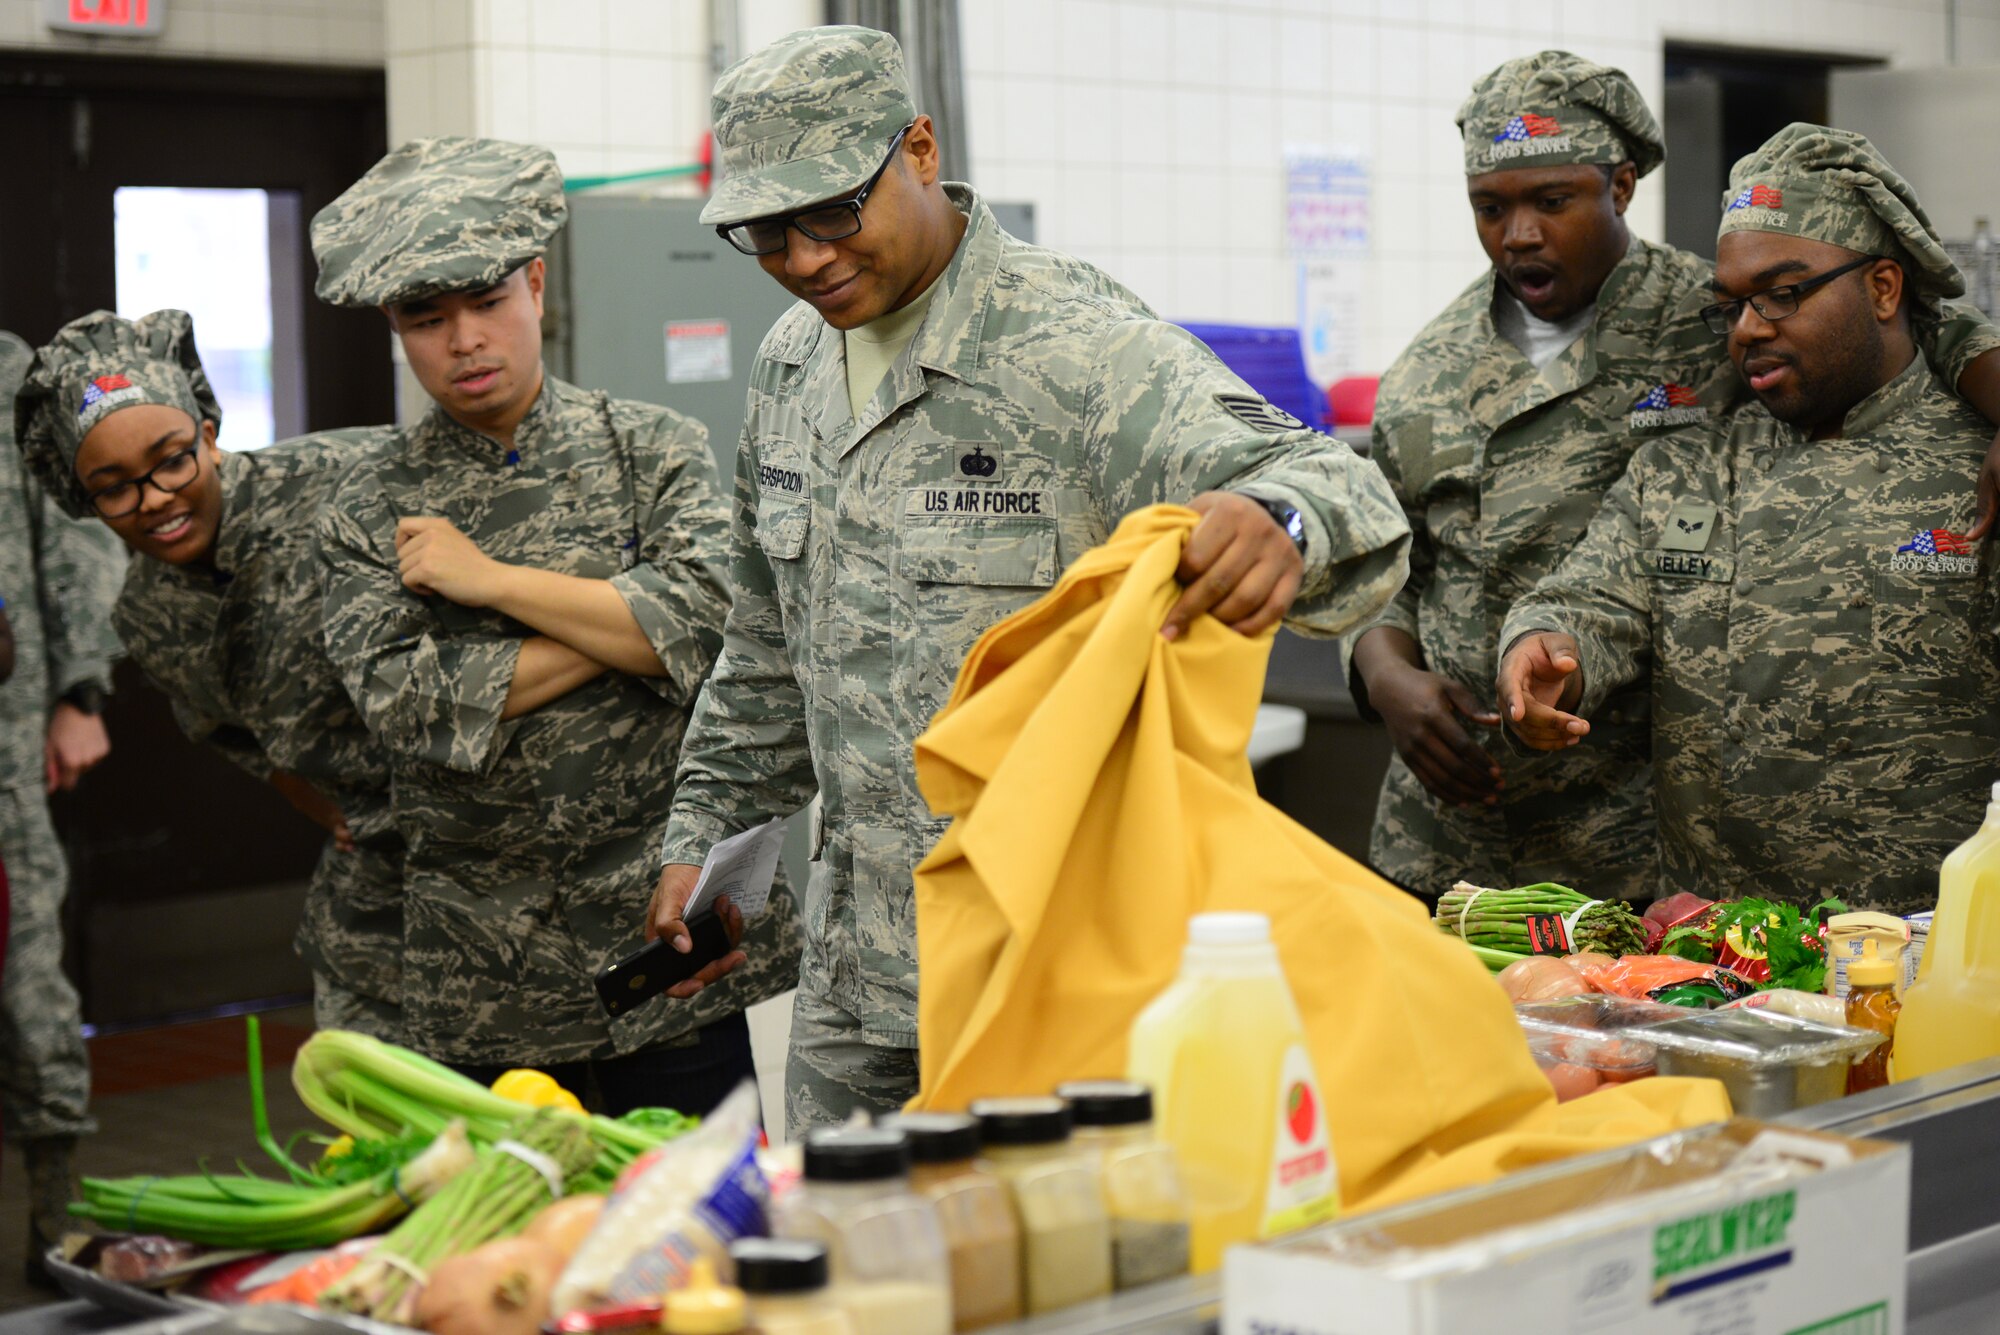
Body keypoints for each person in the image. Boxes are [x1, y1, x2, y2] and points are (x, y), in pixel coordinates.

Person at [647, 26, 1411, 1130]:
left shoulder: (1077, 350)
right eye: (764, 233)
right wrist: (704, 844)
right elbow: (765, 647)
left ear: (918, 150)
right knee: (837, 1240)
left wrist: (1279, 519)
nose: (804, 259)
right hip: (857, 980)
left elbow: (1335, 483)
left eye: (832, 212)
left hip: (1051, 971)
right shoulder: (789, 365)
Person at [1345, 52, 2000, 906]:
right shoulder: (1438, 373)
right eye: (1490, 207)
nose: (1748, 329)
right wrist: (1428, 663)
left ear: (1619, 187)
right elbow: (1443, 571)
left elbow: (1920, 320)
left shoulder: (1698, 315)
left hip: (1662, 859)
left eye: (1552, 201)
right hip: (1476, 839)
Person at [312, 137, 800, 1115]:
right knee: (509, 1215)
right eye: (427, 318)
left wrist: (486, 582)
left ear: (536, 285)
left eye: (488, 302)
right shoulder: (363, 504)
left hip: (663, 944)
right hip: (483, 975)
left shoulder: (651, 448)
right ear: (395, 328)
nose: (465, 341)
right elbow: (412, 707)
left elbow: (712, 624)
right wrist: (626, 626)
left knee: (691, 1204)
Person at [1497, 125, 2000, 916]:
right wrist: (1546, 647)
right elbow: (1586, 600)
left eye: (1783, 293)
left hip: (1923, 959)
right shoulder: (1687, 468)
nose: (1748, 329)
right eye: (1731, 305)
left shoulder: (1978, 467)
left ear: (1883, 288)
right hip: (1710, 954)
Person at [14, 309, 404, 1042]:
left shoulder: (353, 477)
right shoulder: (145, 615)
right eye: (114, 487)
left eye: (172, 460)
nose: (154, 498)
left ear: (210, 435)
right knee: (366, 1082)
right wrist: (323, 804)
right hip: (383, 878)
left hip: (506, 831)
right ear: (83, 499)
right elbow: (233, 733)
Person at [0, 330, 124, 1277]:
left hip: (6, 734)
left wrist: (80, 689)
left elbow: (73, 523)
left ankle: (52, 1223)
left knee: (25, 979)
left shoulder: (10, 373)